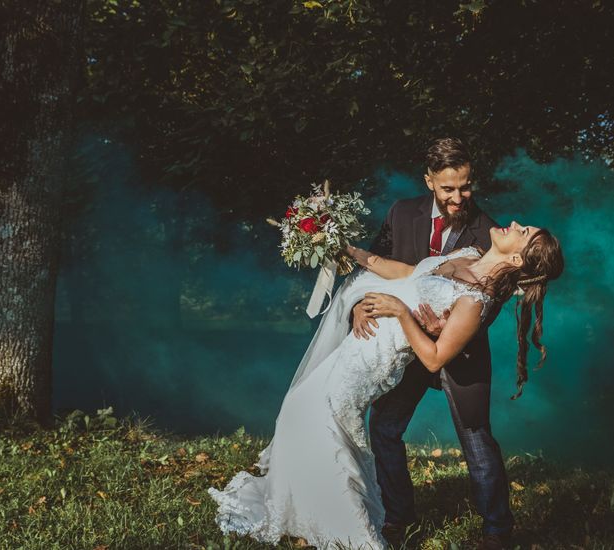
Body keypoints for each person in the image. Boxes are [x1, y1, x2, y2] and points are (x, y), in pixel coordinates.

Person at [207, 215, 564, 549]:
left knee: (315, 417)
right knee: (300, 409)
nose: (514, 223)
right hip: (357, 346)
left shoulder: (476, 301)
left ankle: (349, 531)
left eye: (523, 232)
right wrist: (350, 250)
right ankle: (303, 507)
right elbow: (408, 272)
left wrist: (400, 313)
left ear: (517, 260)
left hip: (373, 363)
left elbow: (435, 358)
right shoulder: (468, 253)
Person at [355, 138, 513, 549]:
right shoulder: (400, 212)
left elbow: (491, 301)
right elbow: (374, 265)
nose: (459, 197)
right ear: (429, 182)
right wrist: (360, 304)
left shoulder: (488, 229)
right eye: (448, 189)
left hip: (460, 348)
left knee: (476, 439)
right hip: (404, 346)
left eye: (465, 186)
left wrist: (451, 328)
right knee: (384, 427)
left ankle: (497, 530)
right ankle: (398, 519)